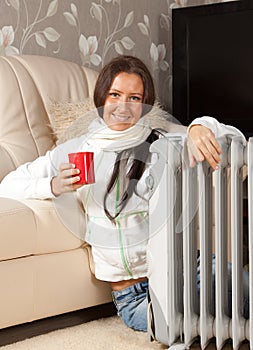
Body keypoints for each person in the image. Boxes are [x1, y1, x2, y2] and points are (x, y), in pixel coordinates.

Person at [0, 55, 248, 331]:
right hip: (133, 296)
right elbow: (9, 183)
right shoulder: (76, 150)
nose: (123, 107)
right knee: (186, 325)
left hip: (187, 269)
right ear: (101, 98)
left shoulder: (161, 143)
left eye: (134, 98)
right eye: (115, 95)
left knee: (235, 294)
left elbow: (237, 140)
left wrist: (201, 126)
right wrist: (52, 186)